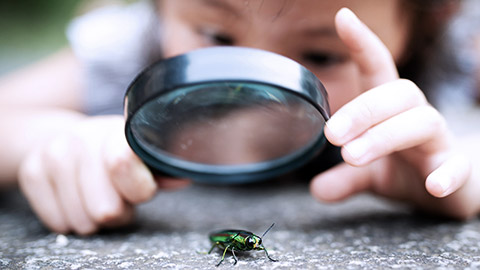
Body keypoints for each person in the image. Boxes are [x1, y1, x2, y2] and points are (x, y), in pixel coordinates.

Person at [0, 0, 479, 235]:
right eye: (215, 35)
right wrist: (37, 138)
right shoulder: (127, 49)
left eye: (320, 52)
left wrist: (462, 175)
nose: (250, 87)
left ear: (416, 36)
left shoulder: (453, 57)